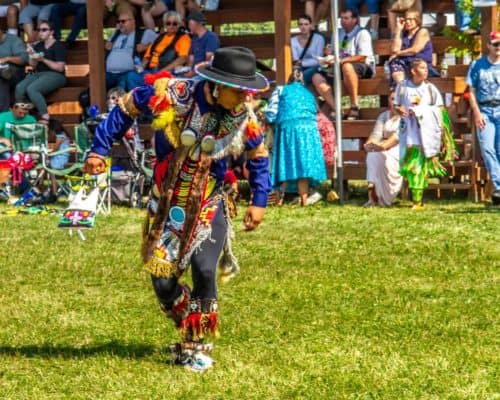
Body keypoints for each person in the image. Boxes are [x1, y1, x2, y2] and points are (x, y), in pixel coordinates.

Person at [83, 47, 270, 371]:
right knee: (164, 283)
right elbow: (125, 107)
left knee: (205, 268)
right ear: (216, 85)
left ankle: (197, 342)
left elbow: (258, 156)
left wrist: (259, 200)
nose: (245, 97)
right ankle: (187, 319)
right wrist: (99, 149)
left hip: (210, 201)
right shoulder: (172, 95)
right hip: (168, 205)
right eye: (239, 90)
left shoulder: (243, 117)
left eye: (247, 91)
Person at [394, 58, 456, 209]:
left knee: (417, 165)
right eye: (422, 68)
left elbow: (440, 110)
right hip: (408, 131)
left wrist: (421, 112)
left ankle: (417, 200)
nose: (426, 70)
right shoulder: (402, 87)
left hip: (425, 133)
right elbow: (396, 104)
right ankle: (416, 197)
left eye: (426, 67)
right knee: (409, 164)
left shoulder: (431, 89)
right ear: (413, 71)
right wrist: (399, 109)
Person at [266, 68, 326, 206]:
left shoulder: (281, 89)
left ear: (289, 80)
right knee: (302, 165)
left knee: (285, 162)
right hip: (309, 130)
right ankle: (304, 200)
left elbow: (271, 114)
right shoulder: (309, 94)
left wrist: (270, 121)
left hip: (289, 127)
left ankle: (279, 199)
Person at [311, 8, 375, 120]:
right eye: (341, 18)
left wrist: (340, 61)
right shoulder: (337, 33)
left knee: (347, 67)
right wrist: (328, 54)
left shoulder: (362, 33)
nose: (343, 21)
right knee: (316, 77)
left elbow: (362, 56)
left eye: (346, 18)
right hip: (339, 65)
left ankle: (354, 105)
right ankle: (336, 108)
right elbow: (333, 52)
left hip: (362, 65)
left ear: (354, 20)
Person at [466, 32, 500, 205]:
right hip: (485, 109)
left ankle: (497, 188)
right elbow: (471, 91)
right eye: (495, 44)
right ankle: (499, 184)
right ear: (488, 45)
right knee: (487, 148)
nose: (498, 47)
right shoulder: (477, 65)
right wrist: (477, 112)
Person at [15, 21, 66, 124]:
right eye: (39, 30)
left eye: (44, 30)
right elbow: (33, 65)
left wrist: (43, 60)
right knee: (19, 88)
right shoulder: (39, 45)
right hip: (39, 73)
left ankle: (45, 116)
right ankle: (25, 115)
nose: (40, 32)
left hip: (56, 75)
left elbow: (60, 68)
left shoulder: (58, 46)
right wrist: (31, 54)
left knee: (32, 89)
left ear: (51, 32)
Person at [125, 10, 191, 89]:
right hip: (150, 70)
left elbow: (182, 58)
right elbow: (147, 56)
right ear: (165, 25)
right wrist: (141, 67)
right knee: (131, 76)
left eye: (175, 23)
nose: (171, 26)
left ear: (179, 24)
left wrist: (161, 72)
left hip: (167, 72)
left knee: (154, 82)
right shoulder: (160, 37)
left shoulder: (183, 38)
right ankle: (137, 99)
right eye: (168, 23)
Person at [363, 89, 402, 206]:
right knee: (373, 154)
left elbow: (398, 136)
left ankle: (384, 196)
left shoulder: (407, 116)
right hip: (382, 146)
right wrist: (370, 144)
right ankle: (372, 190)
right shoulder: (384, 115)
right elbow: (376, 134)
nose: (395, 102)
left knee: (383, 155)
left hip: (400, 147)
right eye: (392, 99)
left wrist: (383, 147)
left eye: (398, 99)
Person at [105, 7, 157, 90]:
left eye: (123, 21)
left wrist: (146, 47)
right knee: (95, 86)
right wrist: (107, 46)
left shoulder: (143, 33)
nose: (120, 24)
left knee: (120, 94)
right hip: (108, 74)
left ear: (133, 22)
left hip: (126, 74)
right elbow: (107, 48)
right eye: (118, 22)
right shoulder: (115, 35)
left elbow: (159, 43)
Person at [388, 9, 437, 88]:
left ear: (417, 20)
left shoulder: (423, 31)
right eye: (406, 19)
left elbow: (415, 50)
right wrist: (398, 30)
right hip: (406, 63)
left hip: (420, 62)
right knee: (395, 62)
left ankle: (404, 88)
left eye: (410, 19)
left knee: (399, 61)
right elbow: (394, 49)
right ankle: (402, 86)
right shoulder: (403, 34)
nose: (407, 22)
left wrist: (398, 53)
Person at [0, 27, 29, 112]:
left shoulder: (14, 40)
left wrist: (7, 59)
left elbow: (24, 59)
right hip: (3, 74)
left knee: (2, 78)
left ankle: (3, 114)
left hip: (16, 74)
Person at [291, 14, 325, 87]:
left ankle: (301, 94)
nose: (303, 27)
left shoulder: (319, 39)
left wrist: (302, 63)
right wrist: (300, 63)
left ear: (310, 25)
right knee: (296, 74)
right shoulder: (293, 40)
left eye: (306, 24)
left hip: (316, 67)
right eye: (301, 24)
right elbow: (296, 60)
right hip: (300, 68)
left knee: (303, 76)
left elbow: (319, 60)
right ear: (298, 26)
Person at [184, 11, 219, 77]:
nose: (188, 26)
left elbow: (209, 59)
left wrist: (193, 73)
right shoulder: (194, 38)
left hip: (205, 74)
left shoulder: (211, 37)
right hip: (194, 72)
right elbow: (191, 57)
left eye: (189, 23)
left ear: (196, 24)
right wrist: (188, 69)